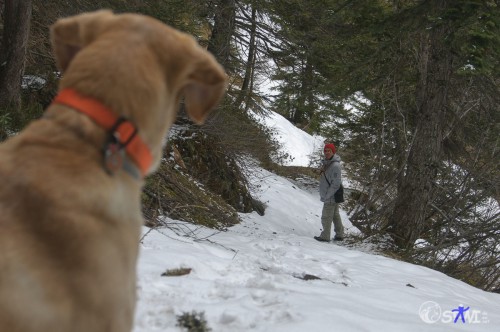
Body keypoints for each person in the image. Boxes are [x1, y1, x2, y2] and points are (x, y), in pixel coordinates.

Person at [314, 143, 344, 242]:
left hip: (331, 196)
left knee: (326, 216)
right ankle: (340, 234)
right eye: (325, 150)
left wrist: (328, 195)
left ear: (333, 152)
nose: (326, 152)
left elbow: (336, 183)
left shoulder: (335, 165)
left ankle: (325, 236)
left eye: (329, 151)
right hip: (330, 195)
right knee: (335, 215)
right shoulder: (327, 163)